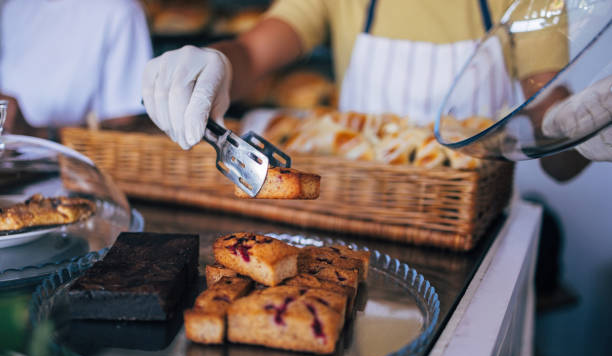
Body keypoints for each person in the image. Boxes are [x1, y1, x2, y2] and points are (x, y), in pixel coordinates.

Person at [143, 0, 572, 152]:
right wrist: (216, 60)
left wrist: (575, 130)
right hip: (360, 216)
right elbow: (253, 53)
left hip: (477, 231)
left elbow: (552, 127)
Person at [0, 0, 152, 138]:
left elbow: (123, 128)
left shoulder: (119, 10)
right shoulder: (13, 9)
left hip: (68, 166)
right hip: (10, 164)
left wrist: (33, 133)